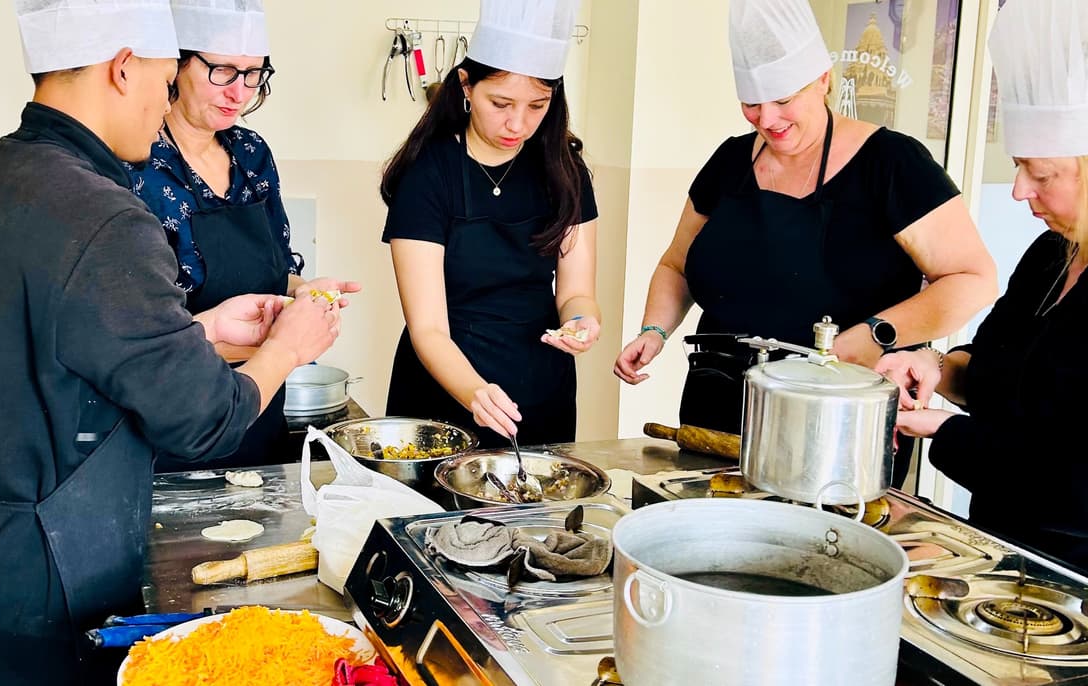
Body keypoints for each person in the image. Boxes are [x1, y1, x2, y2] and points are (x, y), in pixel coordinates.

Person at [0, 1, 346, 683]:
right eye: (163, 76)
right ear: (124, 69)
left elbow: (63, 350)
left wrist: (201, 329)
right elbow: (207, 419)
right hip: (63, 581)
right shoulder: (102, 212)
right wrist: (288, 347)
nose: (163, 101)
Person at [612, 0, 996, 484]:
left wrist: (876, 332)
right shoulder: (730, 161)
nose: (767, 119)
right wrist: (655, 331)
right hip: (717, 405)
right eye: (752, 103)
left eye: (783, 99)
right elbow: (676, 265)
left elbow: (973, 280)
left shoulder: (893, 165)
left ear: (822, 78)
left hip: (837, 422)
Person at [877, 0, 1088, 571]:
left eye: (1041, 174)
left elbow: (1074, 482)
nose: (1019, 190)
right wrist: (935, 368)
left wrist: (946, 433)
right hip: (999, 552)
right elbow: (1002, 380)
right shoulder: (1050, 255)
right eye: (1018, 166)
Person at [128, 0, 356, 471]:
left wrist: (305, 295)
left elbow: (277, 271)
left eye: (254, 74)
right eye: (223, 71)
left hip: (261, 398)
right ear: (177, 64)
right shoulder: (137, 165)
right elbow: (133, 332)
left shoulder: (251, 154)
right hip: (173, 414)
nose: (240, 92)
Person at [379, 0, 600, 449]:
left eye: (537, 105)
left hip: (541, 393)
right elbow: (428, 328)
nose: (517, 124)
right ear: (466, 85)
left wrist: (581, 321)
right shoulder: (428, 174)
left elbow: (576, 292)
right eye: (500, 103)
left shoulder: (566, 172)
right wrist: (474, 392)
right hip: (444, 394)